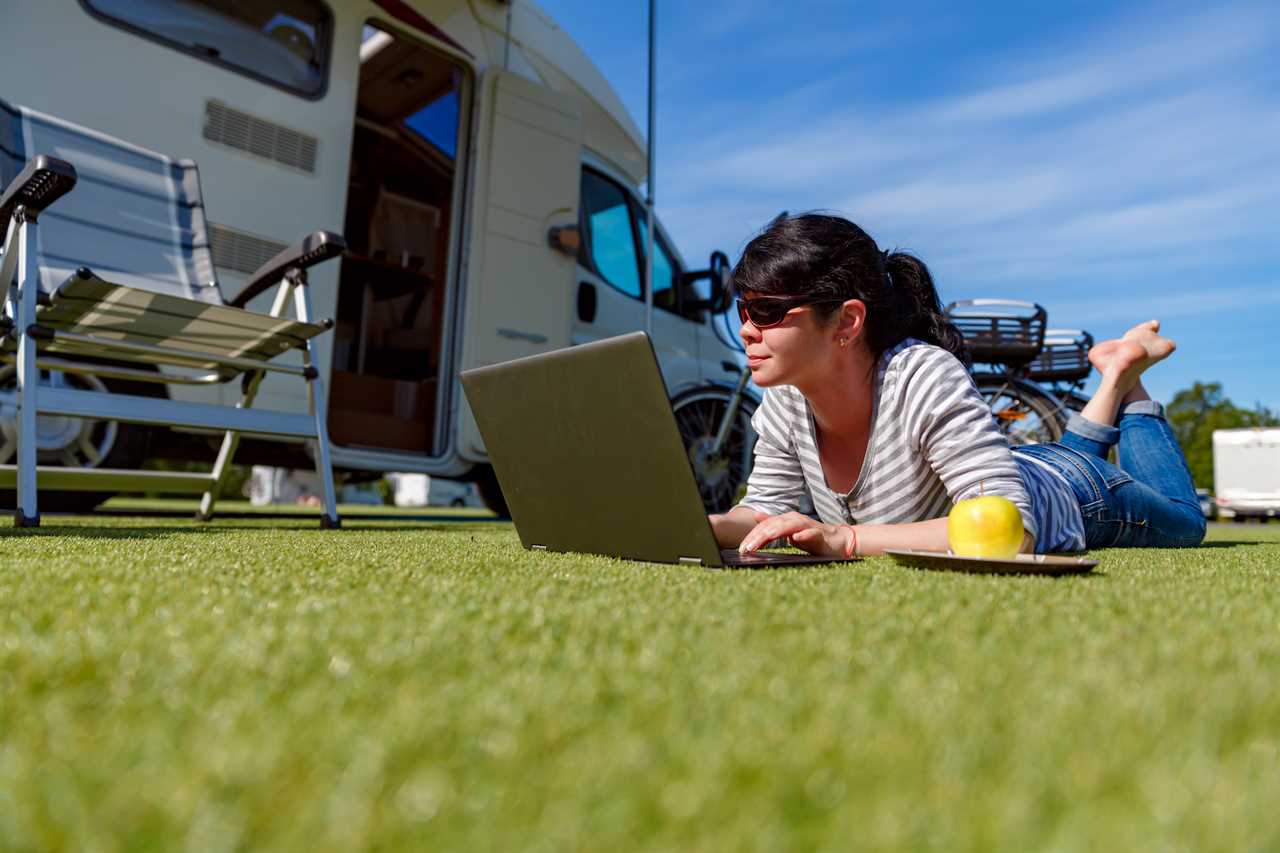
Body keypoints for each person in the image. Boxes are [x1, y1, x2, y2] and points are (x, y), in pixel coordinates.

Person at [708, 213, 1207, 558]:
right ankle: (1116, 370)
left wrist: (845, 539)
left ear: (846, 322)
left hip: (1077, 495)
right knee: (1065, 455)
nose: (748, 328)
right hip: (1020, 465)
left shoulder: (923, 375)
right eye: (744, 310)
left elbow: (1010, 529)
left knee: (1186, 523)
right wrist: (708, 528)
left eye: (768, 311)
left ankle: (1130, 386)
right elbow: (763, 510)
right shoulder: (784, 400)